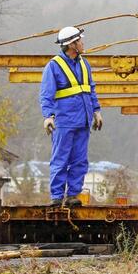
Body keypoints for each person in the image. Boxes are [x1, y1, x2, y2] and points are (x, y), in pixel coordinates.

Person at [39, 26, 103, 207]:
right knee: (61, 159)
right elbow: (46, 93)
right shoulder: (54, 66)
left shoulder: (84, 64)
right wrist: (48, 116)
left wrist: (96, 111)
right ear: (72, 45)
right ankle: (57, 196)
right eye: (80, 41)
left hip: (83, 121)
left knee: (80, 160)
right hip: (64, 121)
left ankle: (73, 195)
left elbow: (90, 89)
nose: (83, 43)